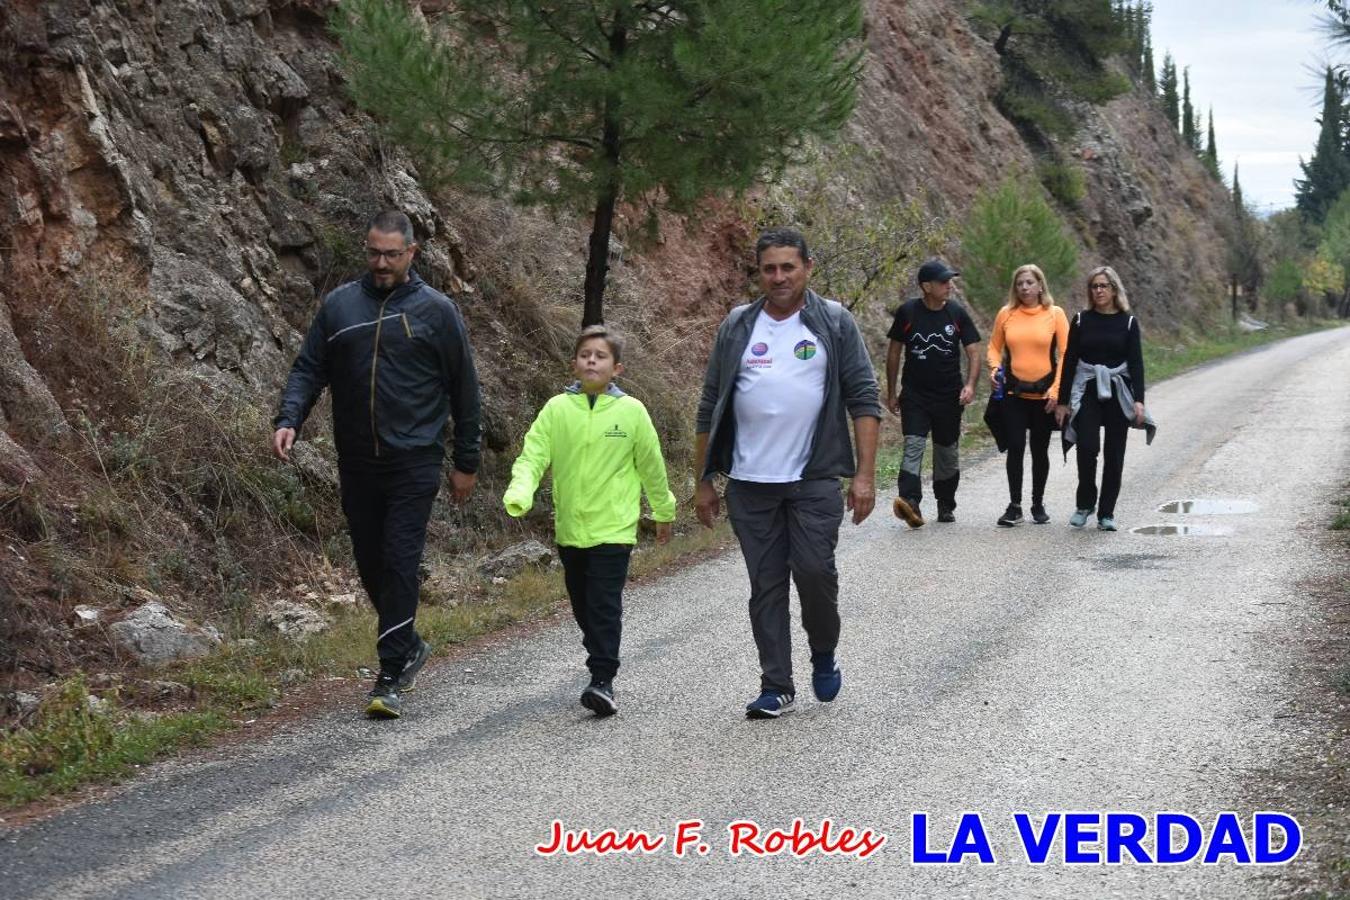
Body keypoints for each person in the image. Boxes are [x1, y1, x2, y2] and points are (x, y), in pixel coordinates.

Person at [272, 210, 481, 719]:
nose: (381, 263)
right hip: (357, 459)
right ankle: (408, 643)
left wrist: (467, 461)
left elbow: (465, 390)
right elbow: (309, 368)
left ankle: (389, 674)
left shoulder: (437, 312)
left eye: (391, 254)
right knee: (370, 562)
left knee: (398, 557)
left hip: (414, 459)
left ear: (412, 253)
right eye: (373, 252)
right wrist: (289, 417)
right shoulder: (341, 306)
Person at [694, 227, 882, 720]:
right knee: (766, 584)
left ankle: (823, 649)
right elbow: (710, 404)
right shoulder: (738, 326)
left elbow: (865, 399)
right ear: (759, 272)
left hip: (814, 478)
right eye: (769, 268)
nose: (778, 277)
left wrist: (864, 476)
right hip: (749, 482)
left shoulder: (834, 322)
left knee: (815, 572)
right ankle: (776, 683)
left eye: (787, 267)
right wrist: (704, 479)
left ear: (808, 267)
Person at [503, 325, 676, 717]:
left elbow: (652, 466)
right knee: (583, 605)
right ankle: (599, 660)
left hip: (614, 529)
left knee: (603, 605)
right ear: (574, 364)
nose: (592, 361)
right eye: (585, 355)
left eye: (600, 356)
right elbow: (533, 456)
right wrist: (520, 491)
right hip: (571, 531)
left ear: (617, 368)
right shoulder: (556, 409)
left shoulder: (632, 412)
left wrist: (663, 511)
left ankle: (602, 679)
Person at [1055, 266, 1155, 532]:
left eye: (1103, 286)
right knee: (1087, 447)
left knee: (1115, 453)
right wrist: (1063, 401)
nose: (1098, 291)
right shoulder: (1080, 320)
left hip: (1117, 389)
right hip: (1087, 388)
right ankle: (1085, 503)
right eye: (1094, 286)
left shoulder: (1129, 322)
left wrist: (1139, 400)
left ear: (1114, 289)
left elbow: (1136, 364)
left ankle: (1106, 512)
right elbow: (1070, 361)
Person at [885, 260, 982, 526]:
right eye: (943, 281)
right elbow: (894, 352)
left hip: (949, 396)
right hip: (915, 394)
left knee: (946, 452)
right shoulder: (908, 313)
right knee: (914, 444)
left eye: (949, 280)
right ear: (926, 286)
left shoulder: (956, 313)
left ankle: (945, 502)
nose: (948, 285)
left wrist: (970, 385)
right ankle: (910, 502)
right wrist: (892, 392)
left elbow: (973, 351)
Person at [986, 264, 1069, 526]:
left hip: (1044, 395)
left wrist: (1057, 391)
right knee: (1016, 448)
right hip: (1013, 393)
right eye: (1020, 283)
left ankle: (1037, 503)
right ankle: (1015, 505)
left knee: (1040, 450)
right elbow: (994, 347)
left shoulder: (1055, 314)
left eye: (1030, 282)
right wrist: (995, 369)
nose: (1024, 287)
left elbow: (1066, 354)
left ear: (1040, 285)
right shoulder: (1006, 314)